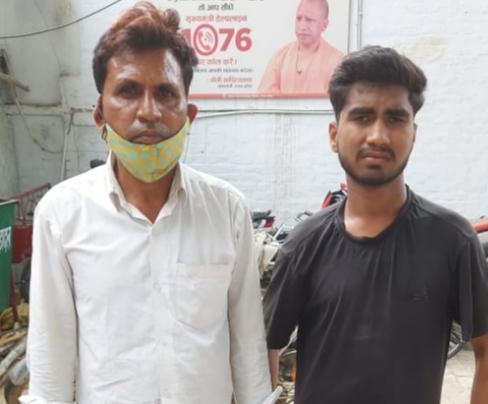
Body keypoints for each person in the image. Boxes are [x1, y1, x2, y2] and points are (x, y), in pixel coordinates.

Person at [21, 2, 277, 404]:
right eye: (128, 91)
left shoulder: (227, 210)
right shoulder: (62, 214)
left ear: (189, 115)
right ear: (99, 114)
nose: (148, 112)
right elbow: (51, 365)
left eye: (165, 93)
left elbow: (247, 350)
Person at [263, 46, 488, 404]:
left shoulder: (452, 240)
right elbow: (266, 347)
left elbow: (485, 349)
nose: (378, 136)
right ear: (334, 134)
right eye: (363, 116)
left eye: (395, 119)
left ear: (413, 133)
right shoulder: (304, 244)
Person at [257, 0, 344, 95]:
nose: (302, 26)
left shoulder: (337, 61)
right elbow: (264, 97)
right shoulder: (280, 57)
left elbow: (338, 100)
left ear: (324, 25)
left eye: (309, 20)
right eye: (298, 19)